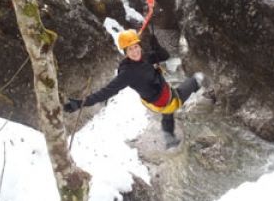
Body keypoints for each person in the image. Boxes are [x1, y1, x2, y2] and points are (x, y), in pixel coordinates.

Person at [64, 29, 213, 148]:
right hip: (165, 99)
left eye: (136, 47)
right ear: (125, 53)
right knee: (196, 79)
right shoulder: (127, 73)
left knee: (168, 112)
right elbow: (106, 92)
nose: (135, 52)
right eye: (130, 50)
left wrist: (157, 46)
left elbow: (164, 56)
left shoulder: (144, 57)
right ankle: (210, 92)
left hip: (156, 98)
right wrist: (80, 103)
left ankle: (169, 138)